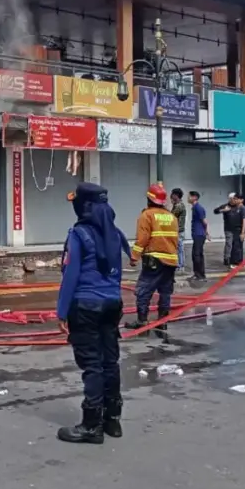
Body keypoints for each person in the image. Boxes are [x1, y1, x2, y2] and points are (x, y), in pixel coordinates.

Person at [55, 183, 131, 445]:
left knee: (92, 365)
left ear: (83, 206)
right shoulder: (115, 234)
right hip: (112, 304)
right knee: (110, 361)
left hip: (86, 307)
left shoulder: (78, 234)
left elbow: (71, 276)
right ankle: (113, 419)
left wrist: (61, 312)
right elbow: (118, 272)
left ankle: (91, 425)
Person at [124, 184, 178, 338]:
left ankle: (142, 321)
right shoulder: (172, 217)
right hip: (171, 260)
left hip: (154, 259)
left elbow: (142, 239)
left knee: (143, 291)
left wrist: (134, 256)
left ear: (149, 198)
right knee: (165, 292)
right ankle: (163, 321)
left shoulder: (147, 215)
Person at [213, 193, 245, 268]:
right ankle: (227, 258)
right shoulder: (226, 206)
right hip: (228, 229)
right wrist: (223, 210)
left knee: (237, 245)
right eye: (232, 199)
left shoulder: (240, 207)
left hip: (237, 229)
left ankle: (236, 260)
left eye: (234, 199)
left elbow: (244, 219)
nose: (233, 200)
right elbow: (215, 211)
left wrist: (243, 232)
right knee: (229, 243)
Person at [187, 191, 208, 282]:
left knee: (196, 255)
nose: (188, 198)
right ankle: (199, 274)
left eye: (189, 196)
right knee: (197, 254)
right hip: (198, 234)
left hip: (199, 234)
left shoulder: (198, 208)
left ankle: (199, 275)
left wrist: (206, 232)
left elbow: (205, 221)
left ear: (194, 197)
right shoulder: (195, 207)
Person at [169, 187, 187, 272]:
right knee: (178, 248)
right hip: (177, 230)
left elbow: (172, 216)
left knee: (179, 248)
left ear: (176, 195)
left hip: (178, 230)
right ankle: (179, 264)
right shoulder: (177, 205)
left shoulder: (179, 206)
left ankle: (180, 265)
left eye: (172, 194)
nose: (171, 196)